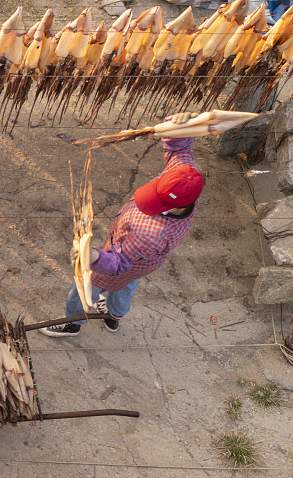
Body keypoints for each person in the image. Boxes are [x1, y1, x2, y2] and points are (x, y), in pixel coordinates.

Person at [42, 112, 205, 337]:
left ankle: (72, 324)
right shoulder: (185, 179)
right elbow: (180, 150)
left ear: (174, 208)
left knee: (84, 285)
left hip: (124, 259)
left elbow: (118, 264)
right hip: (145, 261)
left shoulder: (149, 234)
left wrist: (96, 257)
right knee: (129, 282)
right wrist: (177, 127)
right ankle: (113, 317)